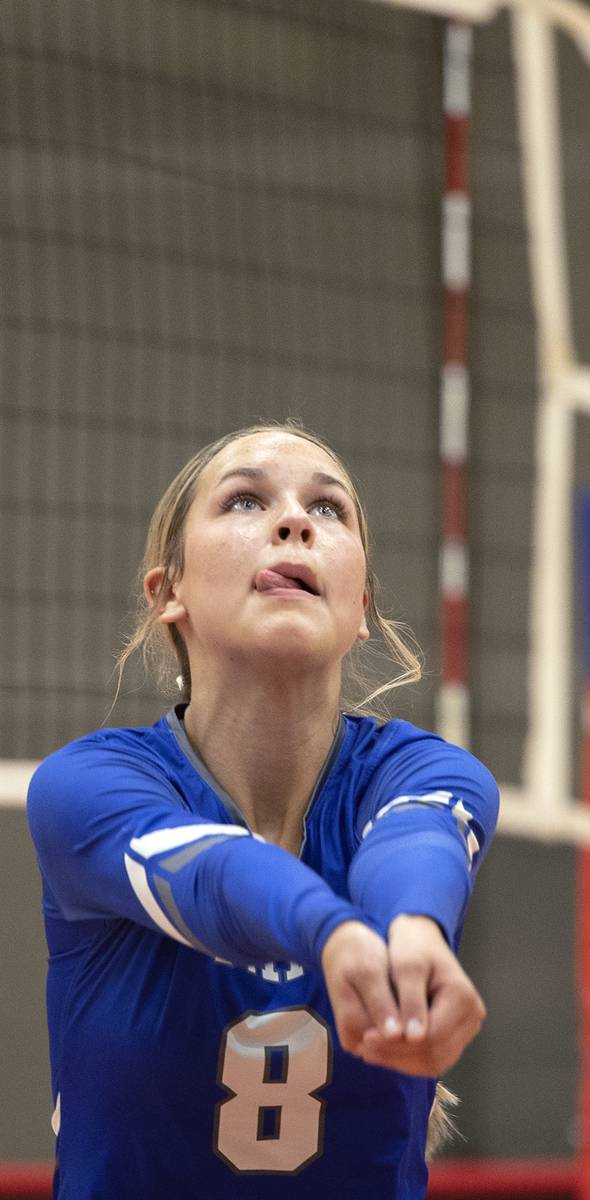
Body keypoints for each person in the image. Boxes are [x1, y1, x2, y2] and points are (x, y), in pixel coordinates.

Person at [27, 421, 499, 1199]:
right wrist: (337, 935)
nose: (294, 522)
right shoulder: (88, 787)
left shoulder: (422, 770)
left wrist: (413, 933)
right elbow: (214, 876)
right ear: (168, 591)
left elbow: (414, 845)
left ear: (362, 606)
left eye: (329, 509)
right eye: (245, 500)